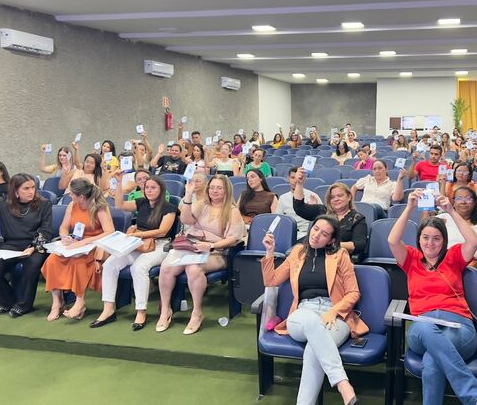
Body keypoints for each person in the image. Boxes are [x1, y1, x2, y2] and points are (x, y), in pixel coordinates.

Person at [387, 190, 477, 405]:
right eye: (425, 238)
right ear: (418, 239)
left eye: (436, 238)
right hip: (422, 327)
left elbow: (473, 241)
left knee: (432, 359)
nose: (430, 243)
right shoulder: (411, 258)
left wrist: (450, 210)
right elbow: (392, 240)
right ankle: (474, 396)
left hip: (459, 326)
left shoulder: (454, 256)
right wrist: (409, 207)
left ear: (444, 240)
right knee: (426, 328)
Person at [260, 215, 363, 405]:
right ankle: (343, 385)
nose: (316, 236)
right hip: (303, 313)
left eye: (324, 234)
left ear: (332, 240)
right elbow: (271, 281)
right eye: (315, 229)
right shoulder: (298, 252)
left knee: (313, 351)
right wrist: (269, 252)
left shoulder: (340, 255)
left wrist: (334, 311)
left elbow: (353, 293)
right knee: (311, 322)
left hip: (335, 314)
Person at [156, 175, 244, 334]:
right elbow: (185, 219)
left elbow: (232, 239)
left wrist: (210, 245)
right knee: (166, 267)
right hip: (190, 246)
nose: (215, 191)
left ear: (226, 190)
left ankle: (196, 312)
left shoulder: (232, 211)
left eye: (219, 188)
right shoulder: (202, 204)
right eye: (212, 188)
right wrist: (189, 195)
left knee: (193, 269)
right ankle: (165, 310)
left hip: (216, 251)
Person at [92, 174, 177, 330]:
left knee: (138, 268)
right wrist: (118, 183)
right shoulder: (141, 202)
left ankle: (141, 311)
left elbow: (162, 231)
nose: (149, 190)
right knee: (110, 263)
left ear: (161, 189)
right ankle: (108, 309)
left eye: (153, 188)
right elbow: (119, 205)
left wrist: (137, 234)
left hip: (160, 245)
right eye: (147, 188)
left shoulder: (169, 207)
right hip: (138, 243)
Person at [0, 173, 53, 317]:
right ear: (15, 191)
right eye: (26, 188)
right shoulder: (4, 202)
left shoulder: (44, 204)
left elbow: (46, 231)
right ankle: (9, 302)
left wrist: (33, 248)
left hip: (35, 245)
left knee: (32, 267)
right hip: (11, 245)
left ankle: (24, 305)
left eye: (33, 187)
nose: (31, 191)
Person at [41, 178, 115, 321]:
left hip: (94, 244)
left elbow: (109, 231)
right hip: (75, 243)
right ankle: (57, 302)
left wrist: (85, 242)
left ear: (81, 196)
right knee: (52, 260)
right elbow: (63, 227)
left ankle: (80, 301)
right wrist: (64, 236)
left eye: (72, 193)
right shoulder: (72, 205)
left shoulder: (100, 206)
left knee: (78, 261)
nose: (69, 195)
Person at [293, 172, 367, 258]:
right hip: (313, 255)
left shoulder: (357, 218)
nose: (336, 199)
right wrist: (299, 184)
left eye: (340, 195)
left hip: (338, 258)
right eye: (332, 197)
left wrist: (328, 243)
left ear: (349, 197)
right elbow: (299, 208)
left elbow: (359, 245)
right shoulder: (322, 211)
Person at [437, 186, 477, 271]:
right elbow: (424, 234)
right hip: (444, 262)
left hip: (470, 266)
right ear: (453, 203)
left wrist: (474, 259)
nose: (463, 202)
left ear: (474, 202)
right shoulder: (443, 219)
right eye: (458, 198)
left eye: (468, 198)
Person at [276, 167, 321, 240]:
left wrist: (313, 210)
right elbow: (278, 220)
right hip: (289, 234)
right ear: (288, 179)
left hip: (309, 234)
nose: (295, 181)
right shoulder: (283, 198)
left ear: (303, 179)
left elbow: (323, 218)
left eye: (298, 177)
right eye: (293, 177)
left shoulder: (313, 196)